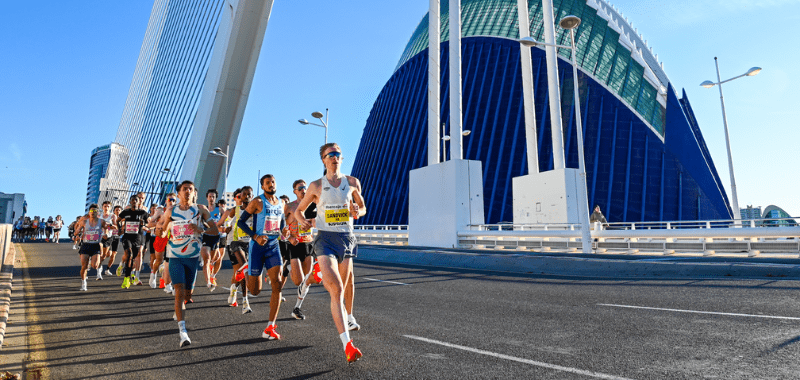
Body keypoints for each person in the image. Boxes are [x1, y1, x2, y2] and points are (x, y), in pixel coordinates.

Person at [294, 143, 365, 363]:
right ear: (324, 160)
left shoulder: (352, 182)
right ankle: (348, 345)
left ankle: (319, 277)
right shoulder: (316, 186)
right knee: (337, 288)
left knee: (345, 287)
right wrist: (303, 222)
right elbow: (298, 210)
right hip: (324, 239)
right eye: (330, 155)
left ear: (341, 159)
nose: (335, 157)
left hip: (346, 239)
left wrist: (357, 211)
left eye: (338, 154)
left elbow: (362, 207)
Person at [237, 175, 289, 340]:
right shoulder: (257, 202)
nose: (271, 185)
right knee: (255, 291)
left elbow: (280, 225)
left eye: (273, 182)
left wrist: (285, 233)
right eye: (268, 183)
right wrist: (254, 237)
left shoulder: (281, 203)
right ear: (262, 186)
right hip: (257, 248)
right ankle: (245, 272)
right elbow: (241, 222)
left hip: (273, 247)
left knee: (278, 285)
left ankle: (270, 327)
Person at [160, 180, 209, 348]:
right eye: (184, 189)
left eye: (191, 189)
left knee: (187, 295)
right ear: (179, 193)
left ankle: (182, 305)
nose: (188, 191)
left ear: (194, 193)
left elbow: (214, 230)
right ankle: (182, 332)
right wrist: (160, 230)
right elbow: (163, 229)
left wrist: (201, 229)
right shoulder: (171, 211)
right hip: (175, 256)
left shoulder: (201, 210)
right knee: (179, 291)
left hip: (192, 257)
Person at [284, 179, 318, 320]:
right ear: (294, 191)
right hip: (294, 244)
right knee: (298, 281)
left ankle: (297, 308)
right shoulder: (289, 206)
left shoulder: (312, 205)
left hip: (308, 244)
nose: (303, 190)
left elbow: (317, 221)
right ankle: (289, 267)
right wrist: (288, 237)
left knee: (306, 281)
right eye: (300, 188)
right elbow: (282, 226)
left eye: (305, 187)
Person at [218, 187, 252, 309]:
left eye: (242, 196)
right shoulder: (231, 211)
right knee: (242, 269)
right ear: (235, 199)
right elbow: (219, 225)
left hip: (248, 243)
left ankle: (233, 288)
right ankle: (245, 300)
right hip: (233, 242)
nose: (241, 198)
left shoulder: (253, 210)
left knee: (240, 272)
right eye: (238, 197)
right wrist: (224, 229)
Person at [117, 195, 149, 289]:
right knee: (129, 254)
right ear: (130, 202)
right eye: (132, 200)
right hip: (127, 236)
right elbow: (118, 220)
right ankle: (126, 279)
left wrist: (144, 223)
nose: (134, 201)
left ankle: (130, 275)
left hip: (138, 238)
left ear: (138, 202)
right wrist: (119, 229)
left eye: (136, 200)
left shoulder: (142, 212)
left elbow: (148, 221)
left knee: (134, 257)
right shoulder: (125, 212)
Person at [74, 205, 106, 291]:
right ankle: (84, 283)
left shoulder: (102, 221)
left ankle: (97, 267)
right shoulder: (84, 221)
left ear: (97, 213)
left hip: (96, 245)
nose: (92, 213)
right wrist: (77, 232)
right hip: (86, 245)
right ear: (89, 213)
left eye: (94, 211)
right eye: (91, 211)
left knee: (95, 266)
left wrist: (108, 232)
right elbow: (77, 231)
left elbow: (107, 228)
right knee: (84, 266)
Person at [200, 189, 223, 291]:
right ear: (207, 198)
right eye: (210, 196)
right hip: (206, 235)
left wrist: (221, 226)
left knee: (216, 258)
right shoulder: (204, 210)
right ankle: (209, 282)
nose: (211, 198)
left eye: (213, 197)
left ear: (215, 198)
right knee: (207, 259)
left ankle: (212, 274)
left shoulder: (220, 209)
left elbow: (225, 221)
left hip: (216, 236)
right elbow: (200, 221)